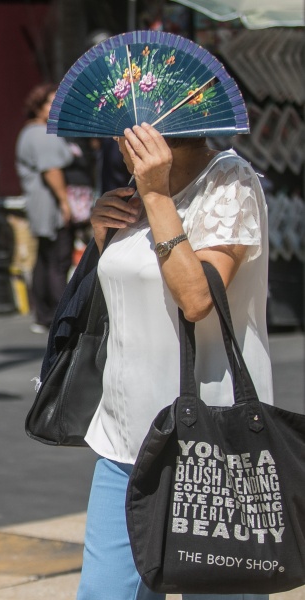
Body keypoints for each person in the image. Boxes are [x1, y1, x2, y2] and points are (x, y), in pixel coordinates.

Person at [77, 123, 272, 600]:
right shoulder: (131, 193)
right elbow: (111, 298)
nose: (118, 144)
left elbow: (197, 299)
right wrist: (102, 236)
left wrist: (158, 197)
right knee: (105, 593)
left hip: (214, 438)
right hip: (125, 438)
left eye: (125, 132)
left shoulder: (231, 182)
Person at [16, 84, 76, 334]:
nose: (55, 108)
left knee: (44, 257)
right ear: (38, 106)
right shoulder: (41, 134)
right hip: (48, 205)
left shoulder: (31, 132)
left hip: (39, 203)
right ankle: (59, 316)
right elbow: (51, 170)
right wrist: (64, 201)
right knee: (57, 259)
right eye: (50, 103)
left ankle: (43, 313)